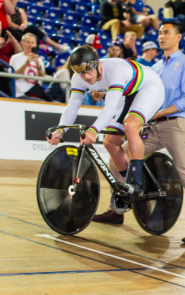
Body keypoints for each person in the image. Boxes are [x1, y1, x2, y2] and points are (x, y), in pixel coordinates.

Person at [98, 22, 185, 247]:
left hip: (174, 125)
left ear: (178, 37)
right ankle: (117, 208)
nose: (161, 36)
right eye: (159, 33)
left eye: (166, 32)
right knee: (117, 155)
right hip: (152, 127)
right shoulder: (154, 67)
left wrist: (158, 113)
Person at [47, 45, 165, 209]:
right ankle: (127, 185)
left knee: (130, 126)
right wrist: (61, 129)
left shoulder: (114, 70)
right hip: (127, 93)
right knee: (110, 143)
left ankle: (138, 183)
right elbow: (73, 105)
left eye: (89, 70)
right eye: (80, 72)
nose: (86, 76)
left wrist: (94, 130)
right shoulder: (79, 78)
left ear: (96, 63)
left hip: (149, 88)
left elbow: (110, 107)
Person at [6, 7, 70, 53]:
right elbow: (9, 24)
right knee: (33, 36)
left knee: (33, 28)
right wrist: (20, 27)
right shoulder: (7, 11)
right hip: (13, 31)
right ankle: (53, 45)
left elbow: (25, 21)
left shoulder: (20, 10)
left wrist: (23, 25)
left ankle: (55, 45)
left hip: (22, 30)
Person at [9, 33, 46, 100]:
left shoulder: (39, 60)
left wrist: (38, 64)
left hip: (36, 93)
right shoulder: (15, 58)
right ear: (22, 44)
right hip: (20, 94)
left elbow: (43, 77)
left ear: (35, 45)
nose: (30, 45)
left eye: (32, 43)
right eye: (28, 42)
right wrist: (27, 63)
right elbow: (14, 77)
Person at [0, 31, 22, 97]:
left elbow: (19, 52)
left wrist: (12, 38)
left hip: (9, 68)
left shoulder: (7, 42)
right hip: (1, 68)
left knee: (12, 73)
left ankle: (11, 96)